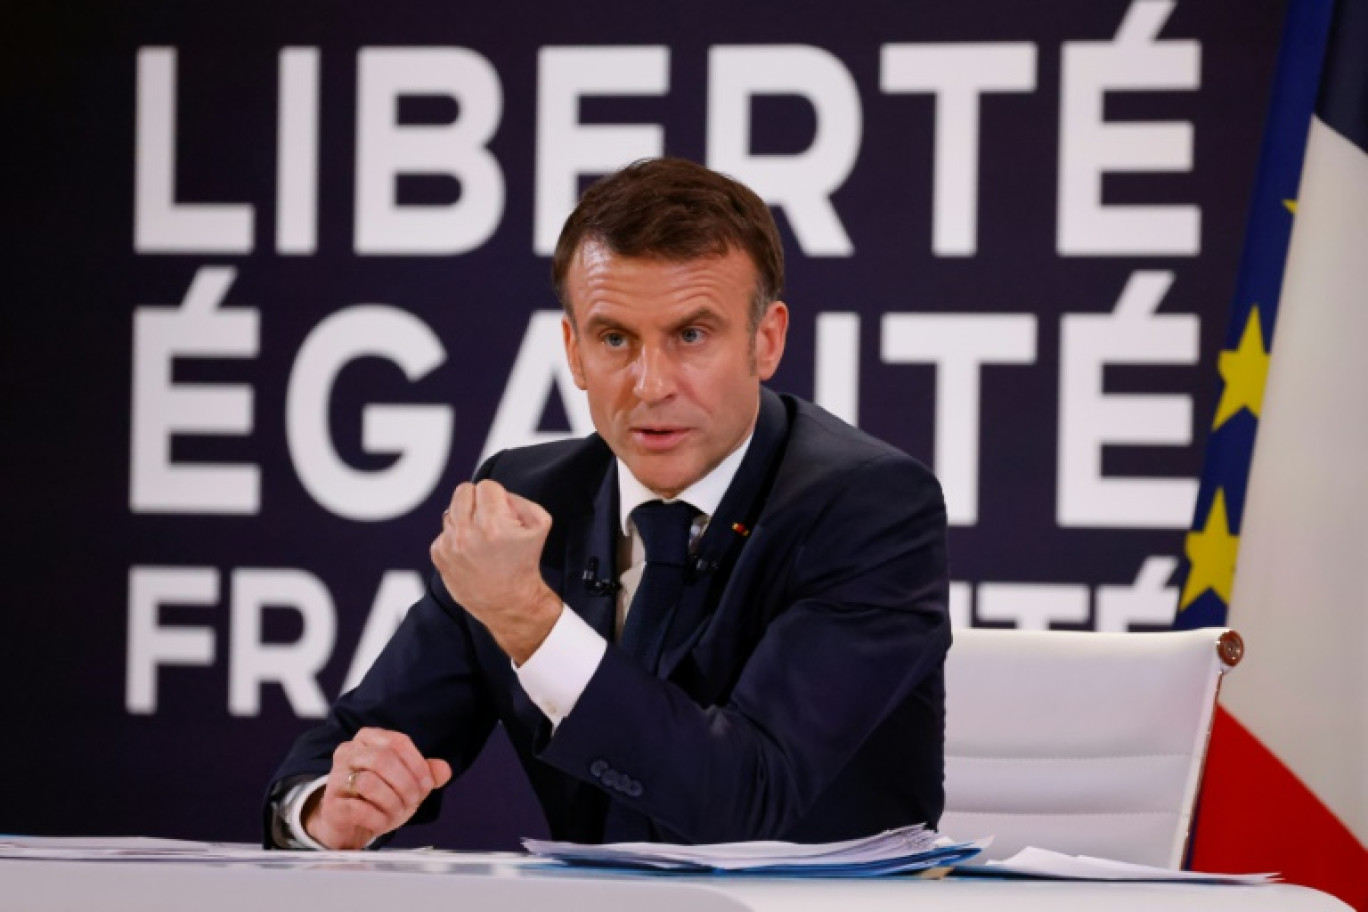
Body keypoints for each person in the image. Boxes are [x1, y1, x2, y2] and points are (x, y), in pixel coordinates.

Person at [265, 157, 950, 850]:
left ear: (765, 340)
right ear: (574, 349)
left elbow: (745, 802)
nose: (650, 385)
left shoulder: (870, 508)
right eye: (615, 338)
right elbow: (341, 753)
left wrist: (530, 620)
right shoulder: (529, 497)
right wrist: (331, 806)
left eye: (691, 335)